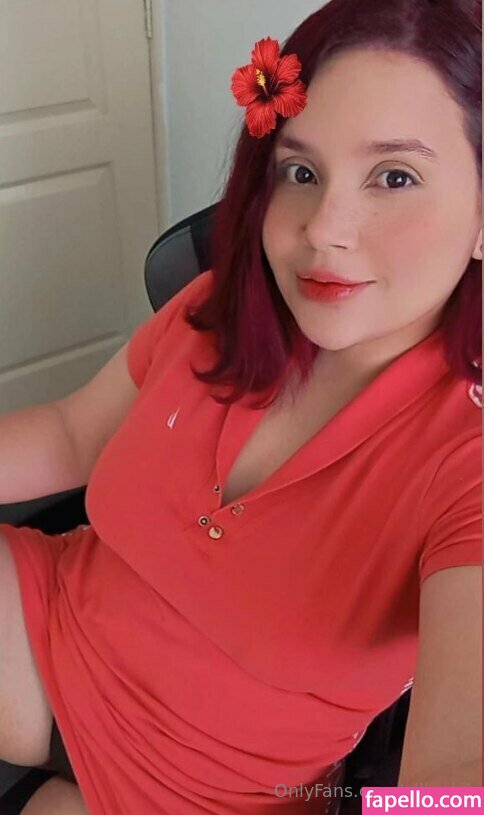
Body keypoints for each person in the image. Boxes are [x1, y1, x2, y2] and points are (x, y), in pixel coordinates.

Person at [0, 0, 482, 812]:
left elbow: (460, 775)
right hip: (54, 631)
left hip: (219, 789)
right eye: (301, 172)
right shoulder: (218, 308)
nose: (323, 229)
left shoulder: (466, 460)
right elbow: (72, 432)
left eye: (394, 176)